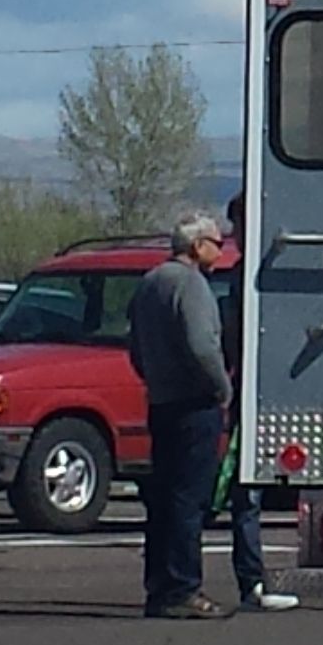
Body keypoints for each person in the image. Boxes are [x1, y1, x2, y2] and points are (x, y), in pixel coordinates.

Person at [128, 213, 238, 619]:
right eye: (215, 241)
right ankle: (183, 588)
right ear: (197, 246)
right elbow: (201, 344)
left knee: (165, 498)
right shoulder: (190, 284)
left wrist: (155, 379)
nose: (220, 248)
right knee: (189, 500)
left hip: (162, 403)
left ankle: (159, 586)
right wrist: (220, 388)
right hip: (194, 405)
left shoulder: (150, 282)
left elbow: (136, 348)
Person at [214, 199, 296, 611]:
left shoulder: (263, 275)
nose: (236, 234)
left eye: (241, 224)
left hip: (279, 388)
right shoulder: (239, 276)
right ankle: (252, 581)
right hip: (251, 393)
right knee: (246, 491)